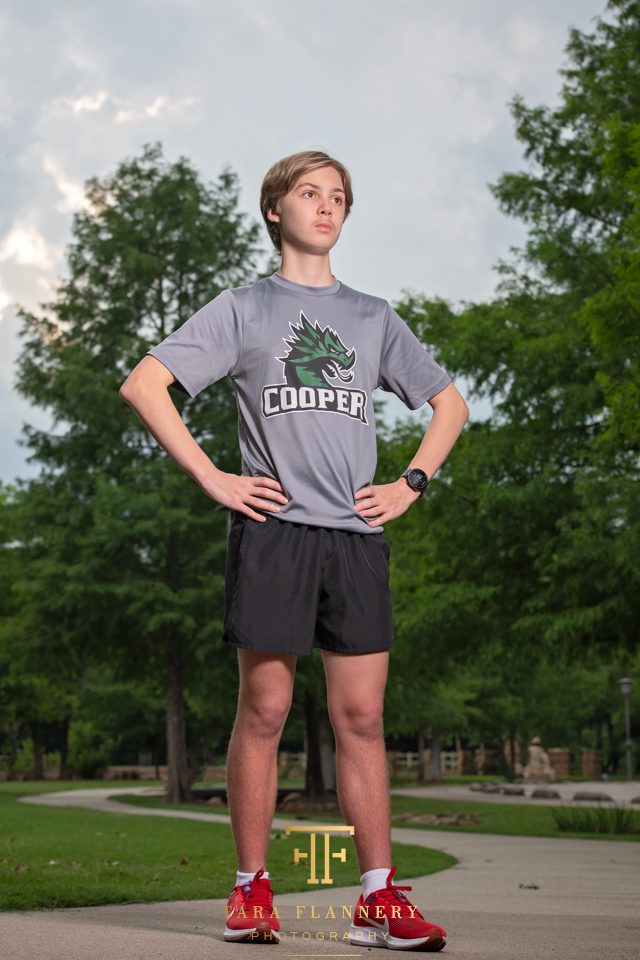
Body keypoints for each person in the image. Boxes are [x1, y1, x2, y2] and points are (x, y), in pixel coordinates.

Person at [119, 149, 469, 951]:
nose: (327, 205)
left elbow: (450, 406)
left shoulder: (374, 317)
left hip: (356, 536)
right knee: (266, 711)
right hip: (274, 533)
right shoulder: (243, 308)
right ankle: (251, 890)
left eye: (338, 196)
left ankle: (378, 904)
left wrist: (412, 481)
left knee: (364, 718)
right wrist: (213, 476)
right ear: (276, 210)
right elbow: (145, 384)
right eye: (310, 193)